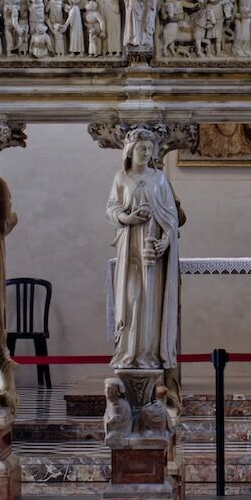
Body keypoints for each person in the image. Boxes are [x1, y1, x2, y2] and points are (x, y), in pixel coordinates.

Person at [107, 131, 182, 372]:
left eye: (149, 148)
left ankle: (149, 354)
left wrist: (166, 242)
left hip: (153, 251)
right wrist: (126, 217)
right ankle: (128, 351)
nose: (147, 152)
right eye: (142, 148)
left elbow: (171, 216)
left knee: (150, 299)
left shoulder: (159, 178)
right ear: (130, 151)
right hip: (130, 246)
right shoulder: (121, 178)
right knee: (132, 297)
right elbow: (111, 209)